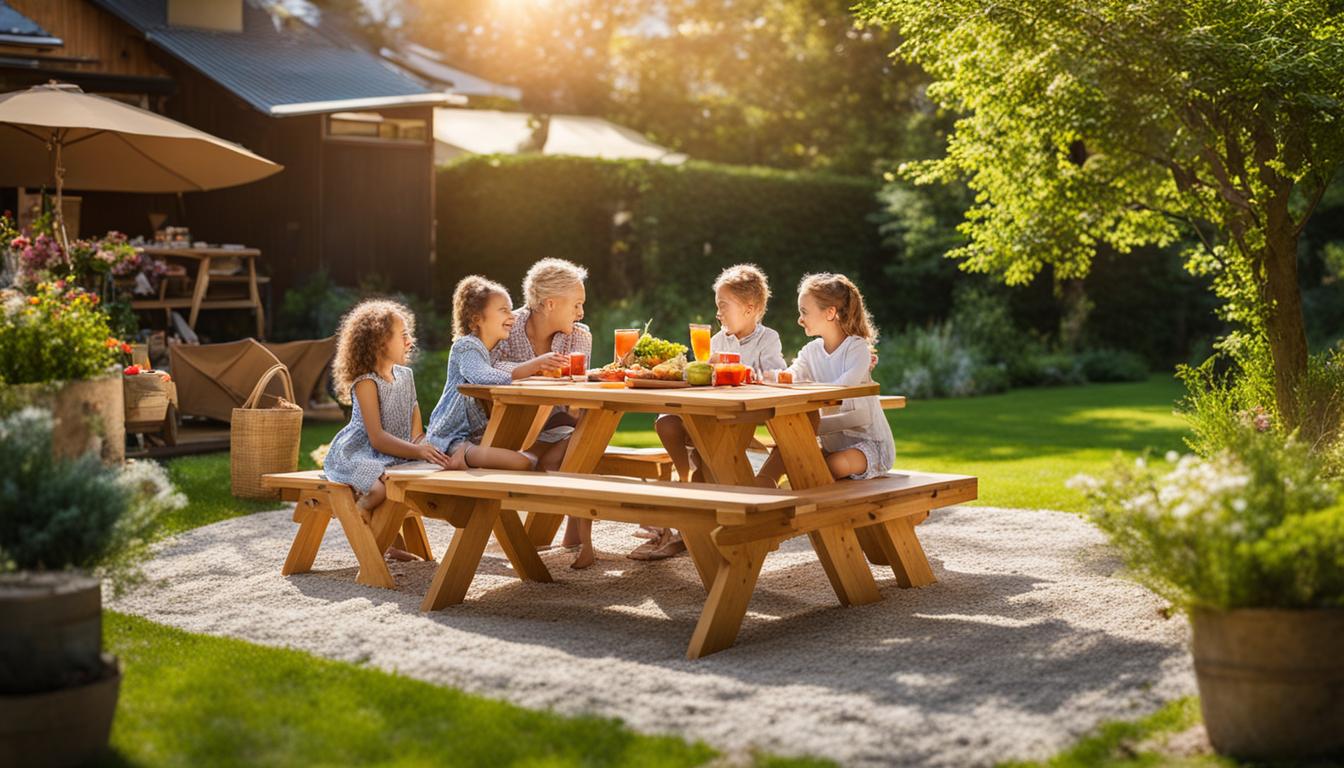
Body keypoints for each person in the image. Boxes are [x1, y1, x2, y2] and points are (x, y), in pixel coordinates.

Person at [632, 264, 788, 560]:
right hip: (707, 414)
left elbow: (775, 372)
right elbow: (704, 376)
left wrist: (753, 373)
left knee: (708, 466)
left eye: (723, 306)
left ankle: (686, 527)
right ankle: (684, 473)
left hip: (739, 420)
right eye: (717, 306)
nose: (718, 313)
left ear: (750, 308)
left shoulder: (768, 339)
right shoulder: (717, 340)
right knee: (666, 422)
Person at [322, 299, 457, 561]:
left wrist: (428, 447)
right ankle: (360, 520)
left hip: (393, 453)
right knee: (379, 490)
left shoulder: (406, 376)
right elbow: (377, 437)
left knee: (412, 484)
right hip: (359, 451)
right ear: (380, 342)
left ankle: (388, 543)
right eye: (403, 335)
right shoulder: (366, 383)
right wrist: (418, 451)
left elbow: (416, 428)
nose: (410, 341)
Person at [490, 258, 597, 561]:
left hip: (557, 424)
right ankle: (569, 536)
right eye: (576, 305)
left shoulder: (579, 336)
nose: (581, 313)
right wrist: (533, 369)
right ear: (550, 304)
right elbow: (489, 367)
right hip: (510, 426)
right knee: (560, 454)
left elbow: (575, 391)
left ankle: (575, 536)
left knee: (579, 445)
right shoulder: (507, 327)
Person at [757, 273, 895, 487]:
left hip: (867, 444)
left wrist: (808, 391)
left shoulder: (857, 348)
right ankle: (762, 485)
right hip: (832, 442)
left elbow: (843, 388)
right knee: (787, 448)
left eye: (804, 312)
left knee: (826, 467)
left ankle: (796, 495)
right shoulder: (811, 351)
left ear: (830, 313)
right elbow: (792, 375)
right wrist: (767, 376)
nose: (799, 319)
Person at [426, 275, 570, 473]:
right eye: (503, 310)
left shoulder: (487, 349)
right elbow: (482, 376)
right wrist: (534, 365)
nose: (512, 316)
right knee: (525, 462)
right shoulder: (465, 346)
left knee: (531, 459)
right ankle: (462, 458)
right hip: (452, 441)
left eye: (511, 310)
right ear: (476, 319)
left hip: (475, 439)